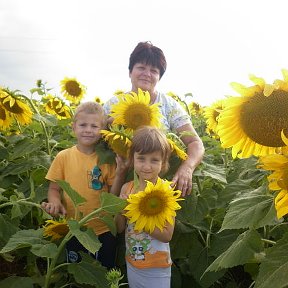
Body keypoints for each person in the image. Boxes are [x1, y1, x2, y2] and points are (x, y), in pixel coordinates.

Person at [103, 41, 205, 196]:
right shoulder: (114, 104)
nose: (147, 73)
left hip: (160, 187)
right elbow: (94, 140)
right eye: (141, 67)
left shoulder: (169, 106)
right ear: (130, 72)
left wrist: (187, 167)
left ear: (159, 77)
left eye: (154, 70)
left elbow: (195, 142)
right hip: (119, 184)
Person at [41, 101, 127, 269]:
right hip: (74, 229)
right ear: (73, 128)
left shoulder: (106, 160)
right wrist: (55, 202)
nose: (88, 129)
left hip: (103, 229)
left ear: (103, 131)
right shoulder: (63, 157)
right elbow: (54, 188)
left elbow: (112, 195)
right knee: (76, 272)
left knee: (104, 272)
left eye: (94, 126)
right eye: (83, 125)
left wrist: (121, 173)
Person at [115, 126, 176, 288]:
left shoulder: (165, 191)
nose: (147, 166)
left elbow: (167, 235)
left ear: (163, 163)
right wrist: (121, 211)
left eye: (154, 160)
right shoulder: (126, 189)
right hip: (133, 261)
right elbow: (120, 228)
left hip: (157, 265)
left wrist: (136, 213)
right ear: (132, 159)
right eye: (141, 158)